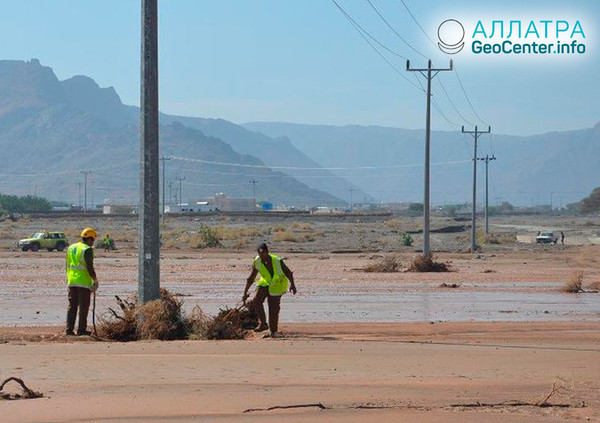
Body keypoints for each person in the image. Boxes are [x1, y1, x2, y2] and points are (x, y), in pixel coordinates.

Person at [243, 243, 297, 338]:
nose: (261, 256)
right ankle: (263, 324)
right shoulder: (257, 261)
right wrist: (245, 292)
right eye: (260, 254)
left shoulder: (277, 261)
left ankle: (273, 332)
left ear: (267, 252)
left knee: (273, 309)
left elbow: (288, 273)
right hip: (265, 283)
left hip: (278, 285)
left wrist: (292, 285)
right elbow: (251, 278)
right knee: (256, 300)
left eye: (263, 254)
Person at [65, 227, 99, 336]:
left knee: (72, 306)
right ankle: (81, 330)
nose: (92, 243)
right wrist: (95, 280)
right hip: (83, 282)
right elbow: (90, 266)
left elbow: (67, 265)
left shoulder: (71, 247)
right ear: (89, 239)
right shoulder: (87, 249)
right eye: (92, 240)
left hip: (72, 280)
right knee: (83, 307)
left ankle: (69, 330)